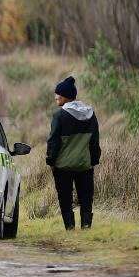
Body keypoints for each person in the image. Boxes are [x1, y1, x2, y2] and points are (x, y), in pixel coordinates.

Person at [46, 75, 101, 230]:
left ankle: (70, 228)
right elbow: (95, 141)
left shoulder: (59, 116)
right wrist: (93, 161)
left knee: (65, 199)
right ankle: (86, 227)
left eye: (58, 94)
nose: (56, 97)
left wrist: (51, 161)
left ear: (65, 96)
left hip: (63, 167)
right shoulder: (90, 114)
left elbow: (53, 141)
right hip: (85, 165)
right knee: (86, 198)